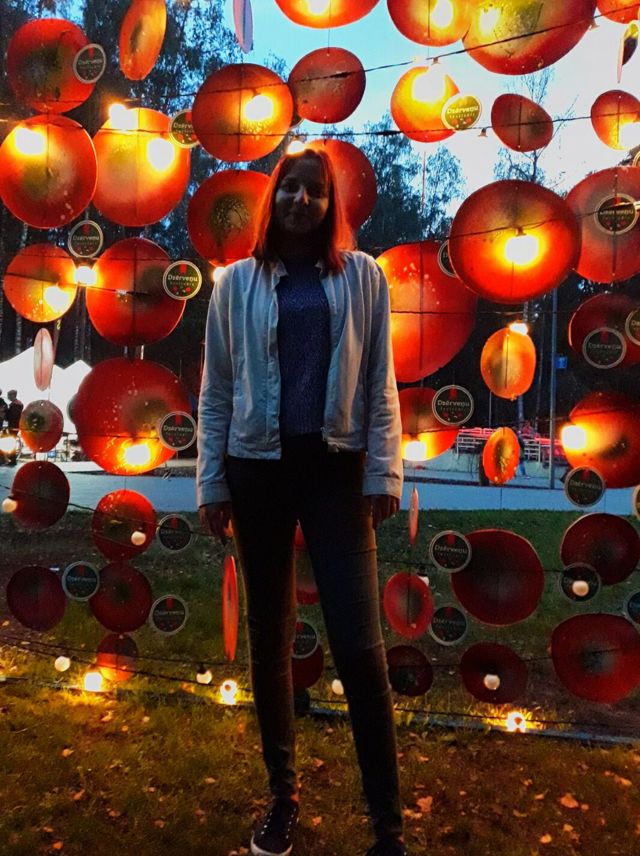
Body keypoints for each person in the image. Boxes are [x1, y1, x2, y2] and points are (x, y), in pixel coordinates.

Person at [197, 147, 407, 856]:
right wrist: (211, 481)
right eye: (289, 187)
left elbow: (380, 381)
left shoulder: (363, 277)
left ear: (329, 204)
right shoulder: (235, 283)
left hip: (336, 474)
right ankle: (282, 798)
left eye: (315, 191)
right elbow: (217, 390)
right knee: (271, 639)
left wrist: (384, 473)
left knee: (360, 648)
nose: (300, 199)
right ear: (273, 197)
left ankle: (387, 829)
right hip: (256, 471)